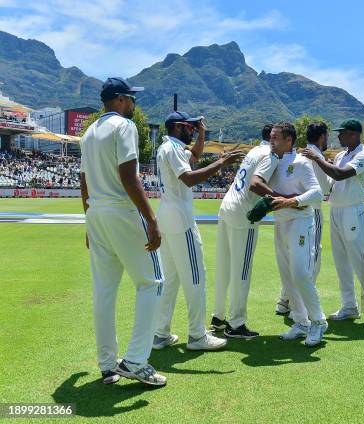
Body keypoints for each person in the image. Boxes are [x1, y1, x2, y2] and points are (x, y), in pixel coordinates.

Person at [80, 77, 166, 386]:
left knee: (105, 290)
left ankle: (107, 365)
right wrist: (152, 219)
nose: (134, 103)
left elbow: (84, 182)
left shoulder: (88, 133)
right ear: (118, 99)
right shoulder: (124, 127)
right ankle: (135, 361)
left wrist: (89, 221)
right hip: (121, 210)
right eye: (131, 98)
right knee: (152, 283)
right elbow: (129, 177)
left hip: (97, 213)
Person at [153, 111, 243, 351]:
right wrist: (222, 162)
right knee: (195, 276)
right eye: (190, 127)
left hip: (168, 216)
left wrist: (203, 134)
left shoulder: (170, 147)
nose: (193, 130)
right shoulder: (172, 149)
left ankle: (160, 333)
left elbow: (195, 155)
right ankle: (196, 335)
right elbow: (190, 178)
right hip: (180, 219)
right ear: (178, 127)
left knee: (170, 279)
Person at [211, 122, 294, 338]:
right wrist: (286, 199)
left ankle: (218, 317)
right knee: (242, 271)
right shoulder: (271, 155)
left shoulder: (255, 149)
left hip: (226, 207)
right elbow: (256, 184)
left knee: (224, 267)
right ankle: (236, 324)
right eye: (276, 138)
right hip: (243, 215)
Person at [303, 119, 364, 325]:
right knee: (341, 262)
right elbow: (331, 183)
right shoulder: (341, 155)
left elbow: (340, 175)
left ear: (354, 134)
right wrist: (317, 163)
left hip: (352, 212)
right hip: (336, 210)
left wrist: (318, 157)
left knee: (359, 260)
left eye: (343, 133)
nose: (338, 136)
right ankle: (349, 306)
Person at [268, 135, 327, 346]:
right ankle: (301, 322)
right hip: (280, 223)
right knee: (287, 277)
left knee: (301, 274)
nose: (271, 140)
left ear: (289, 140)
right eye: (270, 137)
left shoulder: (301, 162)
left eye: (275, 137)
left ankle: (318, 321)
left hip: (301, 222)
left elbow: (317, 194)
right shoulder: (272, 161)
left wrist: (292, 201)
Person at [275, 121, 331, 316]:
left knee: (291, 257)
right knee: (310, 259)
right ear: (323, 136)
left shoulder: (297, 154)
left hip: (290, 211)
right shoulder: (314, 156)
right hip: (310, 209)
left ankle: (285, 300)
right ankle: (302, 307)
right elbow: (324, 189)